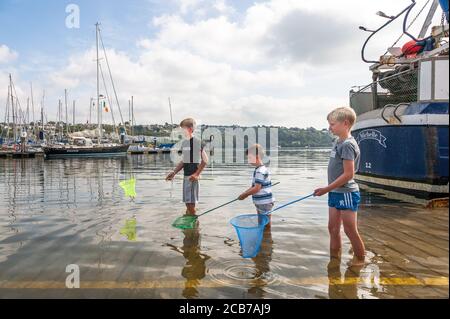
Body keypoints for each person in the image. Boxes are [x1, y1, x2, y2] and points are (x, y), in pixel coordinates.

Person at [314, 107, 366, 267]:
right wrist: (329, 189)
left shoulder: (348, 145)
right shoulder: (338, 142)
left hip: (346, 193)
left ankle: (359, 261)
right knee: (333, 228)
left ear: (345, 123)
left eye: (332, 124)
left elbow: (349, 174)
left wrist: (326, 188)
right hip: (335, 193)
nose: (329, 128)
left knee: (350, 231)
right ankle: (334, 260)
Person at [166, 118, 208, 215]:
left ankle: (194, 225)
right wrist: (174, 172)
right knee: (187, 203)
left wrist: (197, 174)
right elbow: (184, 161)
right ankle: (190, 224)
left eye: (183, 129)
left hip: (192, 177)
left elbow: (205, 160)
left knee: (191, 204)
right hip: (186, 176)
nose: (181, 131)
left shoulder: (197, 141)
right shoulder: (185, 143)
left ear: (190, 129)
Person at [238, 144, 275, 221]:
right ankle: (264, 233)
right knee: (261, 222)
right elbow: (254, 187)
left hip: (264, 202)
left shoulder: (260, 171)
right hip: (261, 202)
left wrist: (245, 195)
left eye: (250, 158)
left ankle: (266, 232)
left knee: (265, 224)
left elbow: (257, 188)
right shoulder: (259, 169)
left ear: (257, 157)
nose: (248, 160)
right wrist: (244, 193)